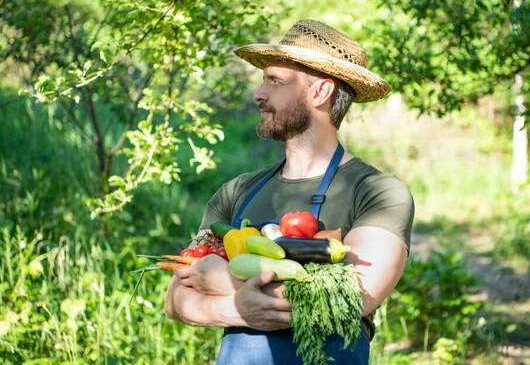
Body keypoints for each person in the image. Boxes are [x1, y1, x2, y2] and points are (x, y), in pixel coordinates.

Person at [164, 19, 414, 364]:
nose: (258, 93)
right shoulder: (237, 192)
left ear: (320, 92)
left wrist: (227, 283)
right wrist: (239, 309)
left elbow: (351, 298)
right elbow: (176, 298)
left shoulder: (377, 192)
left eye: (274, 81)